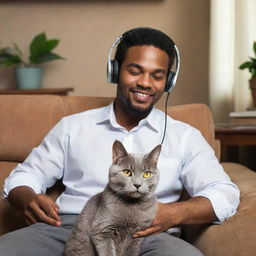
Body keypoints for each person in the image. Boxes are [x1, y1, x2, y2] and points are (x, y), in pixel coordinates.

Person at [0, 27, 239, 256]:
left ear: (168, 82)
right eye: (135, 71)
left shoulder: (185, 136)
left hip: (148, 233)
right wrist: (27, 197)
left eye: (157, 76)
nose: (145, 82)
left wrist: (173, 214)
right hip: (71, 226)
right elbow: (25, 176)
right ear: (115, 71)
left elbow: (224, 193)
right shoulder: (72, 127)